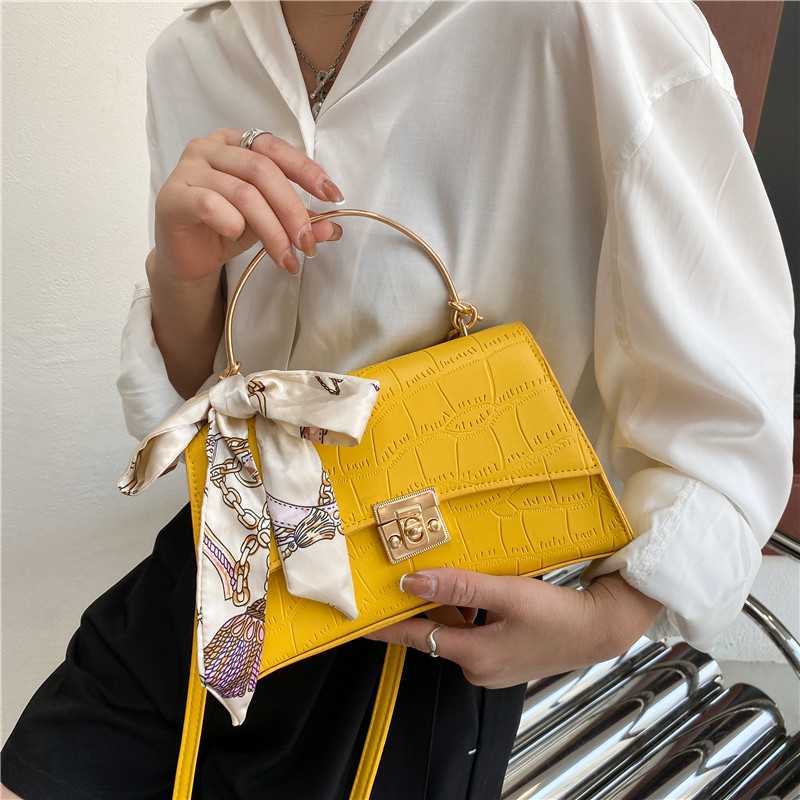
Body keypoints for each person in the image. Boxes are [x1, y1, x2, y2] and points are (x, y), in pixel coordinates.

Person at [2, 1, 794, 798]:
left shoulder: (588, 20)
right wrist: (179, 276)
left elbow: (731, 387)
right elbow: (202, 386)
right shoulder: (191, 53)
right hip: (219, 556)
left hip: (411, 617)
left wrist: (610, 618)